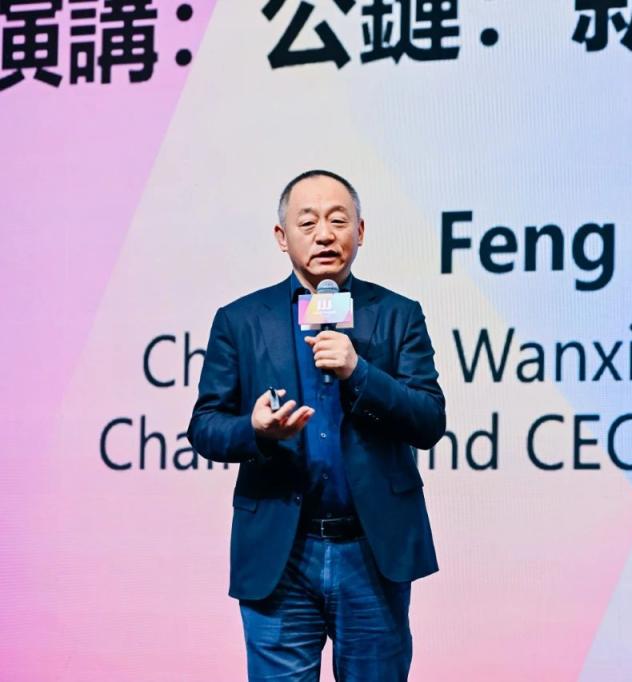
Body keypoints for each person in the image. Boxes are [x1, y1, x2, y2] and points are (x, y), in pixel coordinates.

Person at [188, 169, 444, 681]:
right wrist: (256, 431)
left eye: (338, 220)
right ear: (282, 237)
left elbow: (429, 420)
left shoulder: (398, 315)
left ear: (360, 231)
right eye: (307, 223)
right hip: (281, 552)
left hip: (372, 550)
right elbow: (205, 426)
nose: (324, 234)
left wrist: (359, 372)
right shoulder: (240, 320)